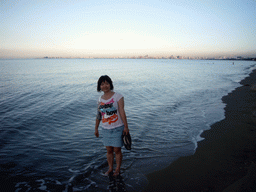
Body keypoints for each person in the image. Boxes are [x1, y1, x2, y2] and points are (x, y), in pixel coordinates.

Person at [95, 75, 129, 176]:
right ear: (99, 86)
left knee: (117, 149)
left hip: (118, 127)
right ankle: (110, 168)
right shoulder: (99, 99)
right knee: (109, 150)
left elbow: (122, 112)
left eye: (106, 83)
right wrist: (96, 128)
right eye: (102, 84)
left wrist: (126, 127)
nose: (105, 86)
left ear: (110, 84)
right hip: (105, 128)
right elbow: (99, 115)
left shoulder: (118, 96)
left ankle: (117, 169)